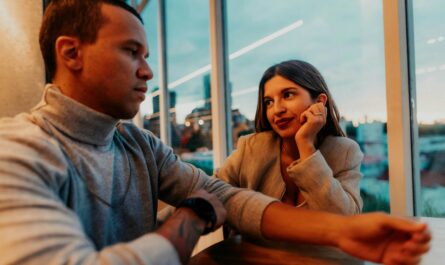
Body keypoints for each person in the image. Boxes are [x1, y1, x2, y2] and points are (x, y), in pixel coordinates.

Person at [0, 1, 430, 265]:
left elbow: (223, 196)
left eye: (147, 54)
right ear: (70, 53)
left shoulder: (140, 145)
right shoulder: (17, 149)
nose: (148, 71)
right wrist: (192, 215)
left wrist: (340, 232)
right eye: (131, 52)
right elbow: (210, 201)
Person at [217, 60, 362, 214]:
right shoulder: (252, 147)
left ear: (319, 102)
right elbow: (212, 190)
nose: (277, 109)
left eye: (288, 95)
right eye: (269, 102)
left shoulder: (345, 151)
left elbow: (345, 218)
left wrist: (305, 144)